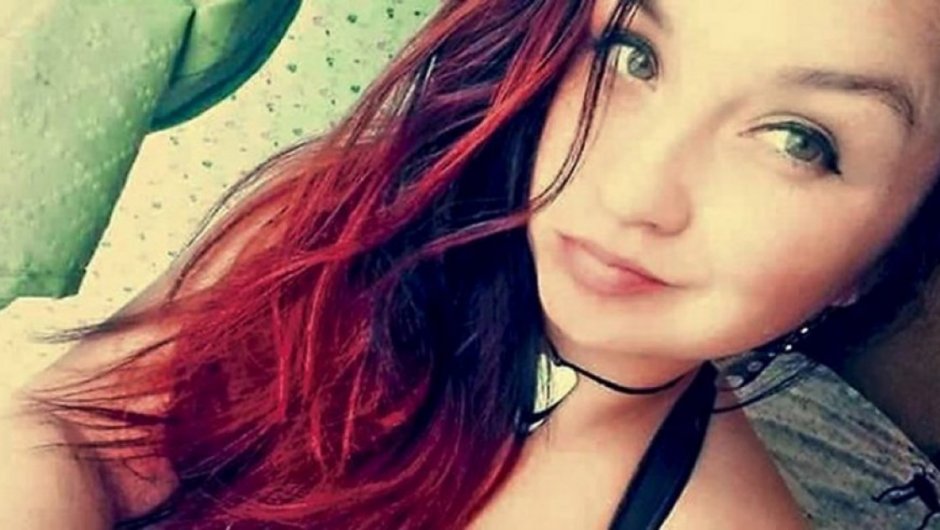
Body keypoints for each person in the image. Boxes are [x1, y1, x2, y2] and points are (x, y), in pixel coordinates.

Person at [3, 0, 940, 528]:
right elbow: (74, 432)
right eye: (632, 55)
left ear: (884, 257)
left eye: (797, 140)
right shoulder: (348, 224)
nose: (634, 191)